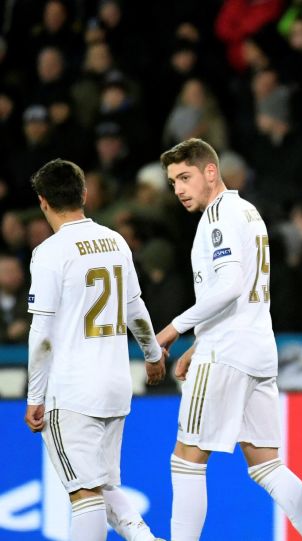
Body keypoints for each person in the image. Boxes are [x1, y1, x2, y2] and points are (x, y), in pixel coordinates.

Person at [155, 139, 302, 541]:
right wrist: (198, 343)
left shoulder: (218, 215)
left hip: (227, 352)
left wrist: (175, 328)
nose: (179, 189)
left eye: (185, 177)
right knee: (267, 466)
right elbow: (242, 288)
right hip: (255, 349)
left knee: (186, 461)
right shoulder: (247, 211)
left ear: (210, 171)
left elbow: (231, 285)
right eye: (173, 182)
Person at [24, 158, 166, 541]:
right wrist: (152, 354)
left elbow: (42, 332)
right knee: (102, 486)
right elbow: (135, 307)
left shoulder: (50, 252)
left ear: (43, 202)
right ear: (84, 194)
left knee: (84, 495)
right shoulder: (115, 241)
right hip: (116, 386)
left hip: (73, 391)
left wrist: (35, 395)